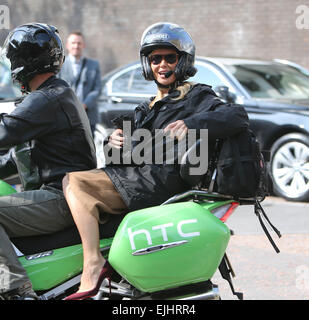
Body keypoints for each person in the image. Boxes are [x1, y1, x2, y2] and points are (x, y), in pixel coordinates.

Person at [62, 22, 250, 300]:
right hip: (142, 178)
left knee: (75, 181)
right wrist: (113, 143)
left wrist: (192, 122)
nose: (162, 64)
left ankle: (92, 263)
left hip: (162, 181)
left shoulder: (197, 96)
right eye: (155, 58)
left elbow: (237, 116)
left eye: (169, 58)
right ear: (148, 64)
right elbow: (123, 158)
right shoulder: (146, 107)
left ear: (183, 61)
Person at [0, 23, 97, 300]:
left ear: (22, 62)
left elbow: (5, 131)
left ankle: (16, 289)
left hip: (62, 197)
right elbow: (14, 159)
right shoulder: (50, 95)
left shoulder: (49, 97)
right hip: (59, 195)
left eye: (12, 61)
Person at [58, 31, 102, 135]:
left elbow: (97, 89)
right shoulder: (60, 65)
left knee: (88, 148)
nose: (76, 46)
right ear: (67, 45)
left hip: (89, 116)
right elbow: (56, 88)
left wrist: (85, 105)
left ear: (83, 45)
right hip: (66, 116)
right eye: (73, 43)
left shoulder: (93, 65)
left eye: (79, 43)